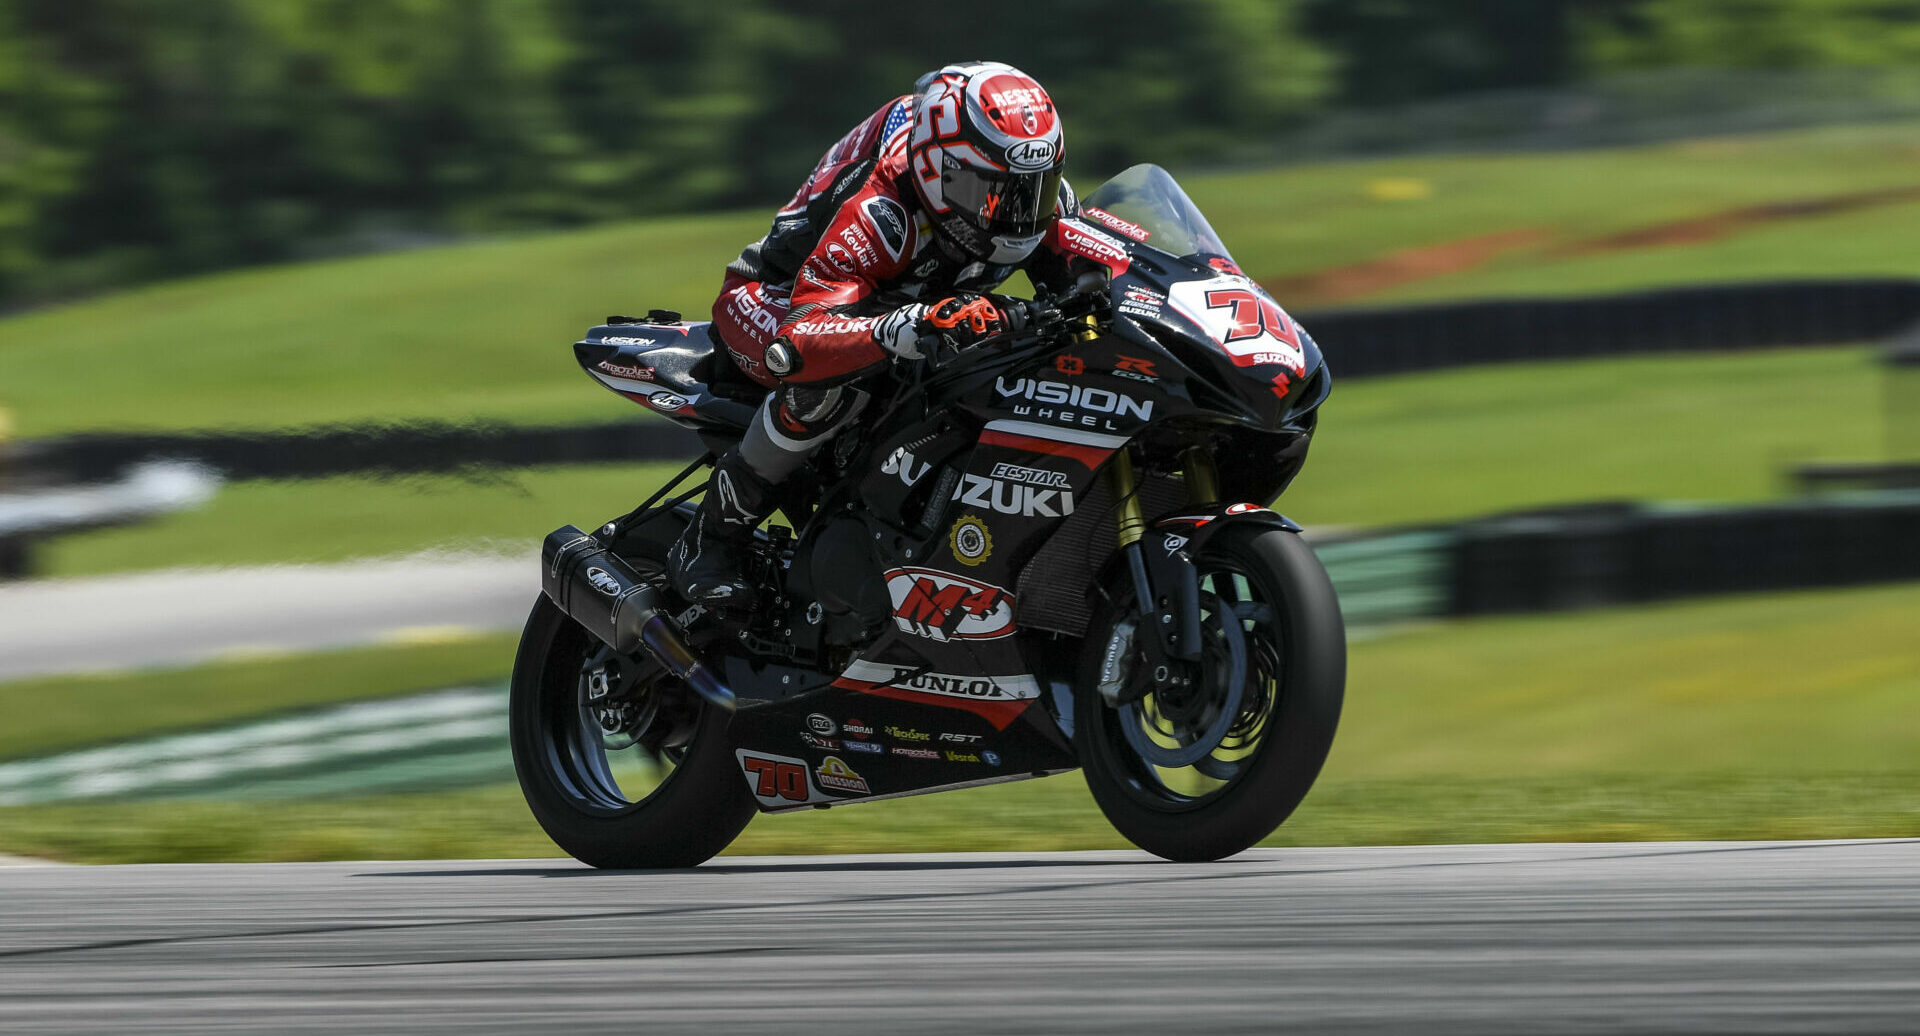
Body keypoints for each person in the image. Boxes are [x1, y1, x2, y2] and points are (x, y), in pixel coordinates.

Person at [669, 60, 1085, 606]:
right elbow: (801, 340)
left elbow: (1102, 267)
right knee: (833, 385)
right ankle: (711, 536)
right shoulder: (882, 209)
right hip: (777, 302)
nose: (1017, 214)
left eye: (1034, 191)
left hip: (905, 294)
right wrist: (906, 326)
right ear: (940, 170)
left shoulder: (1017, 181)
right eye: (992, 194)